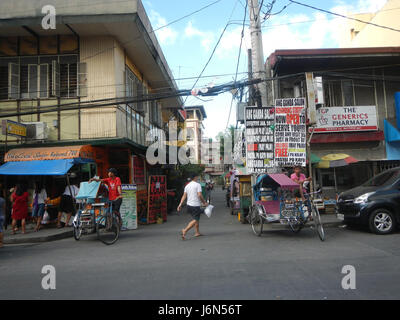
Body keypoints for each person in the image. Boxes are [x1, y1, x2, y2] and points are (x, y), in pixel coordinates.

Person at [177, 174, 208, 240]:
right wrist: (204, 203)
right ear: (195, 177)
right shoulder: (197, 185)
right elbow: (200, 195)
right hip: (195, 205)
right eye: (197, 177)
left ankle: (197, 232)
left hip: (189, 205)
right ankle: (185, 230)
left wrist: (180, 204)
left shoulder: (187, 185)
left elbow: (184, 196)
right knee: (195, 219)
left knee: (196, 218)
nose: (198, 178)